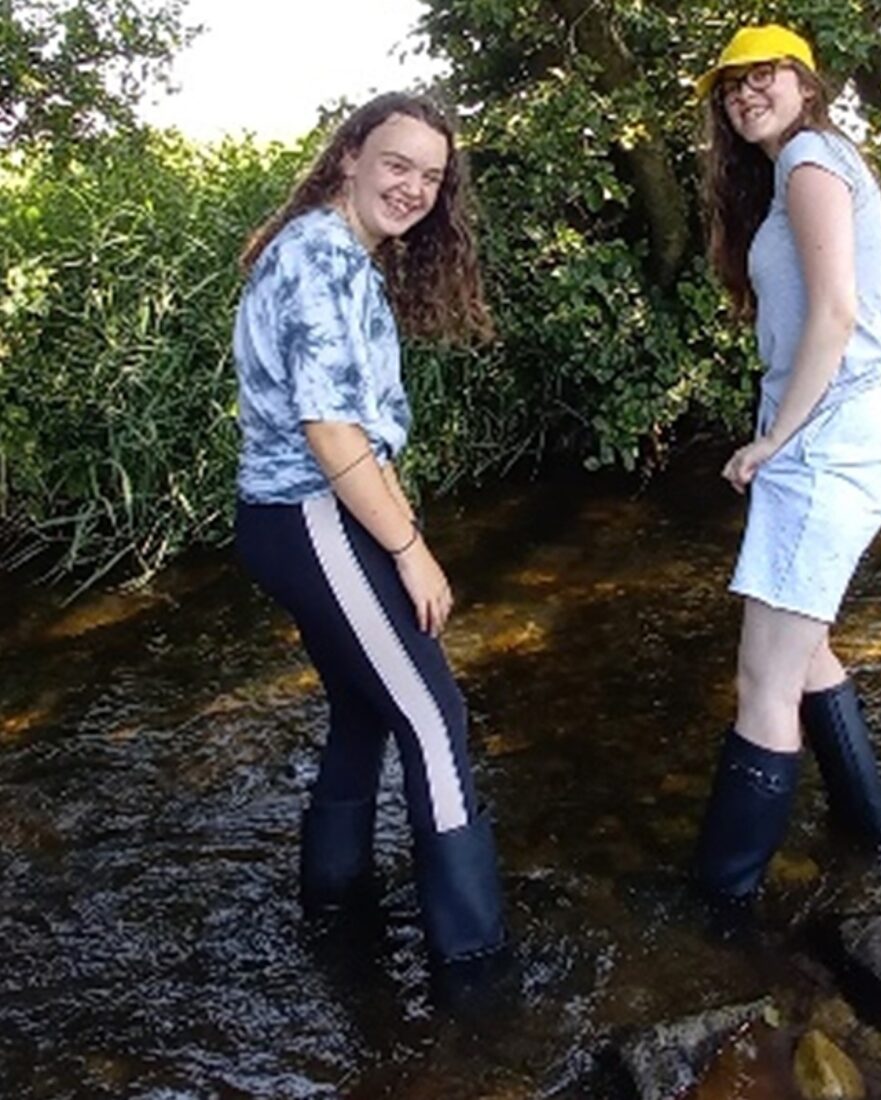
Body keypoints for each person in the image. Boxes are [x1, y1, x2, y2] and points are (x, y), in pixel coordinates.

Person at [231, 93, 505, 964]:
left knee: (363, 708)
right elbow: (331, 431)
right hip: (310, 515)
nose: (415, 188)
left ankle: (333, 911)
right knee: (435, 720)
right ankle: (476, 968)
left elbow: (353, 423)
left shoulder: (340, 252)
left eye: (432, 176)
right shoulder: (319, 255)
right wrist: (410, 548)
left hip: (303, 516)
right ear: (350, 155)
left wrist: (396, 520)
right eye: (398, 164)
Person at [692, 25, 881, 904]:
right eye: (732, 86)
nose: (746, 94)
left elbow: (833, 312)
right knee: (807, 644)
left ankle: (719, 910)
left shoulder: (810, 159)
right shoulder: (811, 164)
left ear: (806, 83)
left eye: (765, 76)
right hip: (853, 431)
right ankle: (874, 834)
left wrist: (773, 440)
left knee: (763, 681)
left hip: (829, 440)